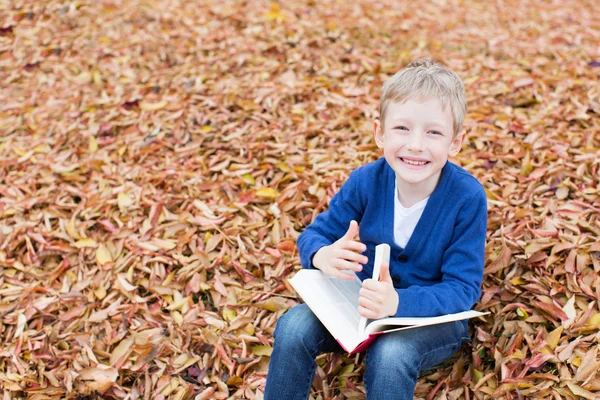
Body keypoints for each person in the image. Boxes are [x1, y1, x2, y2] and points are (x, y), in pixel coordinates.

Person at [264, 57, 488, 400]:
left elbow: (463, 288)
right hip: (361, 306)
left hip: (432, 320)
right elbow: (313, 235)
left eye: (433, 132)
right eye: (402, 128)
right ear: (379, 133)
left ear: (455, 142)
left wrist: (398, 302)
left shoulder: (466, 197)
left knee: (391, 354)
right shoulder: (366, 182)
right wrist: (323, 255)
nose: (415, 144)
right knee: (293, 326)